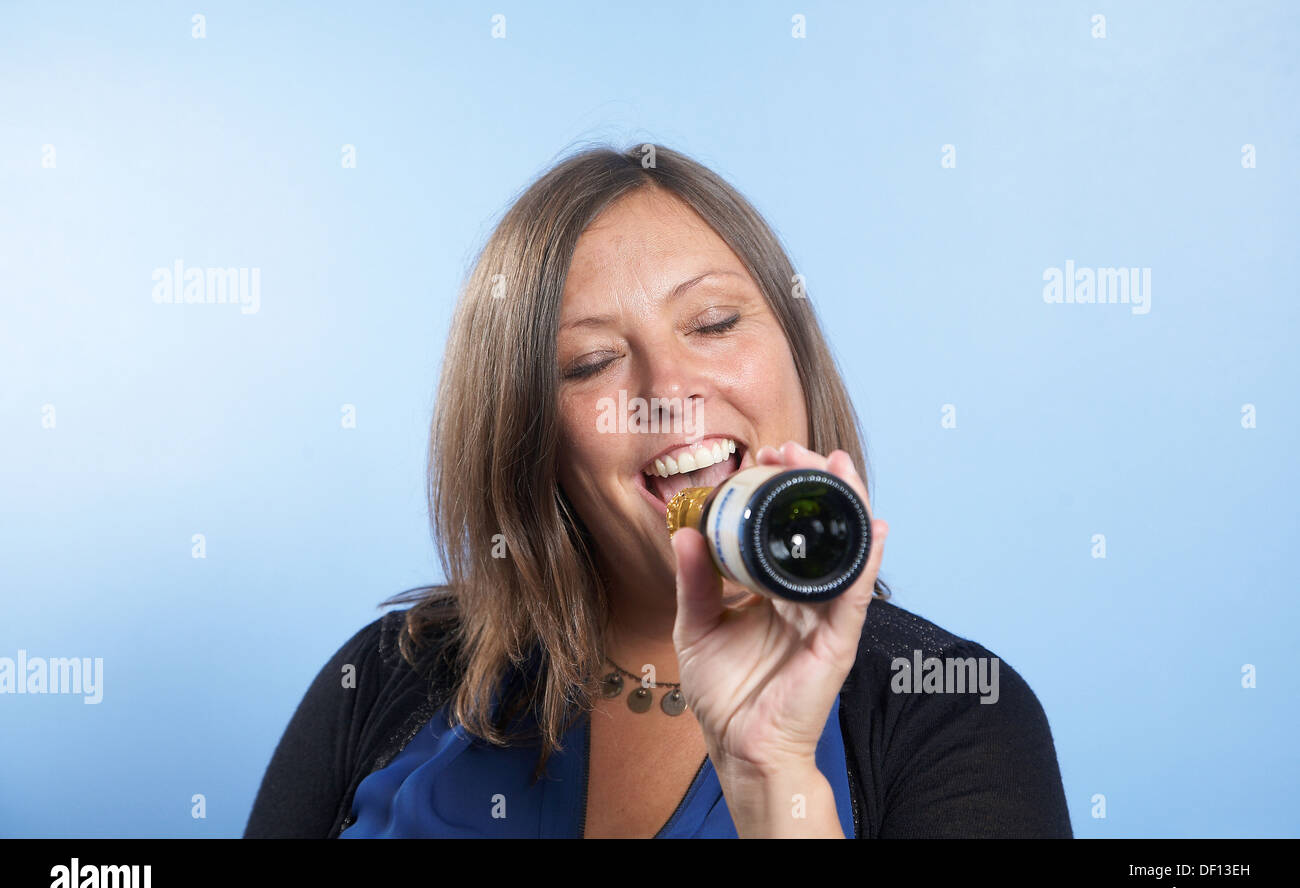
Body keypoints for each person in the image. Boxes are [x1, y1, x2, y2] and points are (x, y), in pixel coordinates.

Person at [244, 143, 1072, 839]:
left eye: (714, 323)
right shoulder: (389, 677)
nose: (669, 388)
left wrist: (773, 774)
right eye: (593, 362)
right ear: (531, 437)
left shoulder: (953, 709)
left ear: (796, 354)